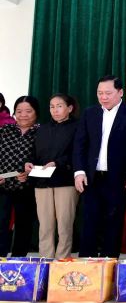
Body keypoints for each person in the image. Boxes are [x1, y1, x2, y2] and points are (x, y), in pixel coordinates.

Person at [73, 75, 126, 258]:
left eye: (108, 93)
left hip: (119, 178)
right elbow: (80, 144)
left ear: (120, 92)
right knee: (89, 220)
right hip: (92, 177)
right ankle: (87, 263)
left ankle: (109, 263)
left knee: (114, 221)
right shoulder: (90, 113)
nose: (103, 97)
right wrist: (79, 172)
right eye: (100, 93)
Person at [25, 93, 79, 258]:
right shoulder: (42, 129)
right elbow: (34, 152)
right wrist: (29, 163)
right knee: (45, 225)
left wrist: (57, 163)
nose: (55, 110)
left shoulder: (77, 127)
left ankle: (62, 260)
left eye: (59, 106)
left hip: (65, 181)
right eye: (52, 107)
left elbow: (77, 153)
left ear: (70, 108)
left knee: (64, 224)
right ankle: (45, 259)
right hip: (42, 182)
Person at [0, 96, 40, 256]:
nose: (23, 115)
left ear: (36, 112)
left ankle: (18, 262)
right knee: (1, 223)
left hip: (28, 187)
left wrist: (31, 174)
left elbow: (45, 159)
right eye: (19, 111)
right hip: (2, 185)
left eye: (28, 111)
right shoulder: (5, 130)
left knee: (24, 226)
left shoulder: (42, 132)